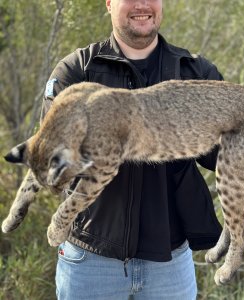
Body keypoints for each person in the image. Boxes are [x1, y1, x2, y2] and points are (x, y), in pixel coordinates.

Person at [43, 0, 223, 299]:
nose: (142, 4)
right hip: (89, 262)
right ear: (109, 4)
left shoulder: (195, 71)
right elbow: (56, 156)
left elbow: (218, 157)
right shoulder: (78, 69)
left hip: (171, 264)